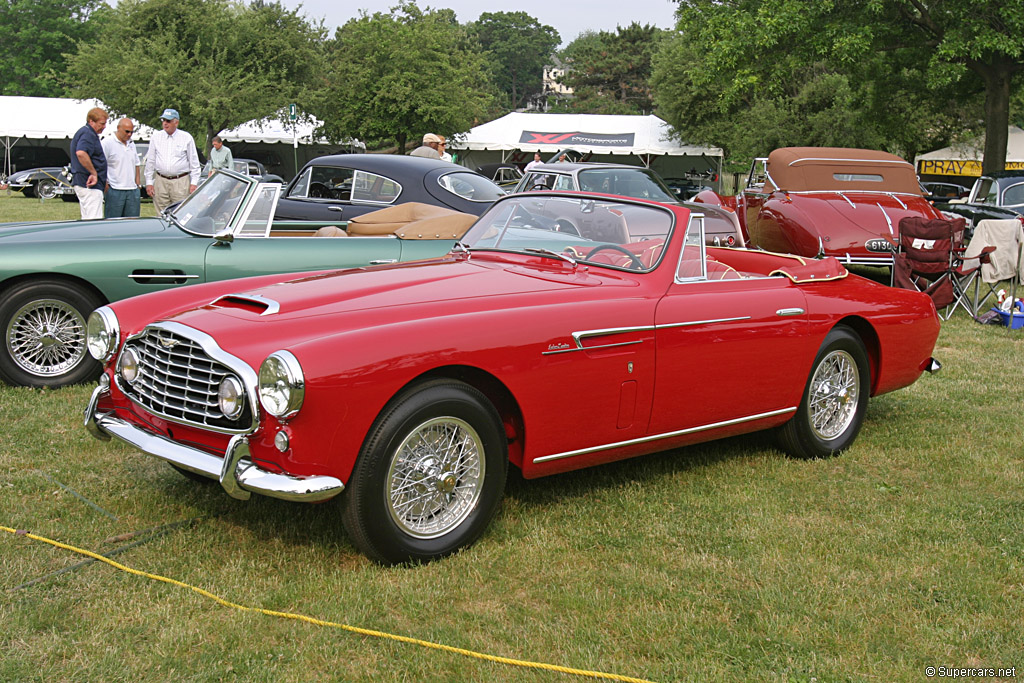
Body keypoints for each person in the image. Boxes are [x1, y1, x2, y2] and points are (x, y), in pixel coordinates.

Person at [145, 108, 201, 213]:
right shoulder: (156, 137)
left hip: (180, 181)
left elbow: (194, 163)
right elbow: (150, 161)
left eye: (168, 121)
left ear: (176, 122)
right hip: (161, 180)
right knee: (161, 213)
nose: (165, 123)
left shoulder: (186, 137)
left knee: (180, 212)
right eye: (163, 120)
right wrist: (149, 182)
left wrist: (194, 183)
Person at [69, 107, 108, 219]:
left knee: (87, 218)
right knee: (94, 219)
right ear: (91, 121)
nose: (104, 127)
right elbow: (81, 153)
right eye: (102, 123)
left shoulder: (85, 132)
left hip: (85, 183)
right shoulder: (88, 134)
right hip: (89, 184)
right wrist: (94, 173)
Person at [102, 118, 142, 218]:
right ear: (118, 128)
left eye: (132, 132)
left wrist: (137, 185)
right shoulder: (107, 143)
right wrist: (105, 184)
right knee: (113, 223)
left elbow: (137, 164)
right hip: (115, 189)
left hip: (132, 190)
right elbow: (101, 164)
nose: (129, 134)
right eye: (127, 131)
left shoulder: (132, 144)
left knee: (132, 223)